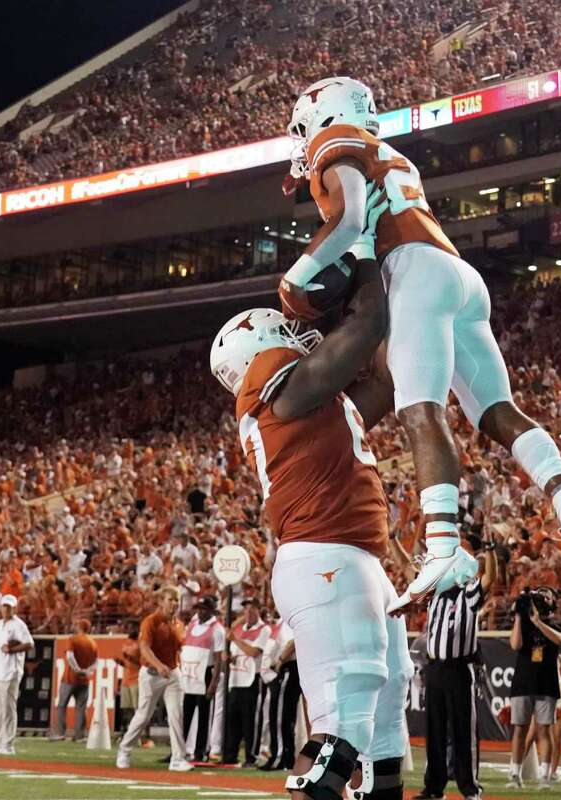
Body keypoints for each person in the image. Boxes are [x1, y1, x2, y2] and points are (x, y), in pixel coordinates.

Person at [278, 77, 561, 612]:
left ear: (322, 116)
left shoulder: (335, 144)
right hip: (457, 274)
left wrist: (298, 276)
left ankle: (444, 547)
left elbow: (351, 217)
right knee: (497, 411)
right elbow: (362, 237)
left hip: (413, 270)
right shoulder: (391, 154)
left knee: (420, 410)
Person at [210, 226, 411, 798]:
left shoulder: (311, 404)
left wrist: (384, 288)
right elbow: (368, 328)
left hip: (358, 559)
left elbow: (388, 376)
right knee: (341, 730)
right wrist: (367, 255)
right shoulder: (281, 398)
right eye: (285, 330)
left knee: (386, 722)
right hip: (327, 558)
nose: (297, 333)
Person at [416, 548, 498, 800]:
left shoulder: (467, 595)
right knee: (435, 730)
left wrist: (492, 552)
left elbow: (489, 579)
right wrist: (396, 540)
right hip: (435, 668)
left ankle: (469, 787)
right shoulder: (435, 595)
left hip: (459, 669)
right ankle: (433, 787)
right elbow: (412, 570)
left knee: (463, 730)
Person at [116, 586, 192, 772]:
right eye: (170, 600)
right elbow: (144, 648)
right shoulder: (151, 621)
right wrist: (158, 665)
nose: (174, 603)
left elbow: (180, 647)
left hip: (173, 673)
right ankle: (124, 750)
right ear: (161, 602)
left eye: (176, 600)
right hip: (151, 674)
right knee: (143, 715)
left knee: (176, 714)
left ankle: (177, 758)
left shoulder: (179, 624)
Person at [508, 587, 561, 790]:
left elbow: (559, 639)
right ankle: (515, 774)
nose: (542, 597)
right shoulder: (524, 622)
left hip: (546, 683)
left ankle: (544, 776)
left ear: (553, 601)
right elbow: (515, 645)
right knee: (520, 728)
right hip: (523, 682)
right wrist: (518, 616)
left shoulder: (558, 623)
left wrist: (538, 622)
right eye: (539, 594)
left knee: (544, 729)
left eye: (546, 595)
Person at [0, 594, 33, 755]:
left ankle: (8, 744)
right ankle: (0, 742)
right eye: (4, 606)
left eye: (9, 606)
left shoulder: (19, 625)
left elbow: (29, 644)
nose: (6, 608)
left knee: (8, 709)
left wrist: (12, 649)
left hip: (10, 672)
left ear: (14, 608)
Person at [223, 600, 270, 767]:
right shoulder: (240, 629)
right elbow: (238, 652)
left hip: (252, 680)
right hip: (236, 679)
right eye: (246, 609)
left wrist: (235, 640)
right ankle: (230, 754)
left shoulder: (264, 630)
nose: (248, 612)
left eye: (252, 609)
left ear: (258, 611)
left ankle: (252, 755)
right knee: (232, 720)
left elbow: (254, 652)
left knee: (250, 721)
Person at [178, 596, 224, 763]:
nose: (200, 612)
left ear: (211, 611)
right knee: (185, 715)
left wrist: (213, 683)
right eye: (199, 608)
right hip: (190, 674)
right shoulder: (192, 624)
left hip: (204, 674)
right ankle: (179, 749)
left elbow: (219, 659)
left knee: (204, 716)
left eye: (204, 609)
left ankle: (200, 752)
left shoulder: (217, 629)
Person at [258, 614, 299, 772]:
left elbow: (291, 642)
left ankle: (279, 757)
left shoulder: (288, 621)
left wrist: (280, 660)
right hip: (291, 670)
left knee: (279, 716)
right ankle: (285, 757)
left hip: (288, 668)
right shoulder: (284, 621)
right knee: (284, 717)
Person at [54, 619, 98, 741]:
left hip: (69, 678)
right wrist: (86, 671)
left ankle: (61, 733)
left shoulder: (73, 639)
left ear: (79, 626)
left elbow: (70, 656)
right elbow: (95, 663)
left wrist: (77, 669)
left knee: (62, 705)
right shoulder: (93, 643)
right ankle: (79, 735)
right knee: (81, 708)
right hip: (84, 680)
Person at [115, 622, 141, 734]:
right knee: (126, 708)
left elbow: (143, 663)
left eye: (133, 627)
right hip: (126, 680)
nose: (130, 630)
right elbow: (126, 664)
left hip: (137, 679)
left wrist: (131, 659)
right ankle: (127, 731)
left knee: (138, 708)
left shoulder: (141, 644)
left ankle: (140, 733)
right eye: (129, 628)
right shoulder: (126, 643)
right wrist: (120, 662)